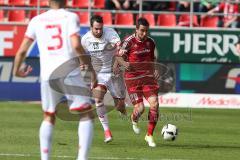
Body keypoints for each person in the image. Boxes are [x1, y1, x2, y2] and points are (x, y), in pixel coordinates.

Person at [13, 0, 96, 160]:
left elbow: (22, 50)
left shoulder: (36, 20)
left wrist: (17, 71)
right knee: (85, 114)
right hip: (69, 71)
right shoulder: (70, 16)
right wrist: (88, 65)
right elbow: (76, 45)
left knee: (49, 115)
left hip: (47, 74)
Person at [81, 15, 126, 143]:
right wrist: (83, 64)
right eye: (96, 29)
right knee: (98, 97)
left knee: (120, 107)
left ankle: (121, 105)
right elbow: (80, 53)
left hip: (114, 73)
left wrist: (120, 52)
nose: (99, 31)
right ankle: (107, 132)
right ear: (91, 28)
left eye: (100, 28)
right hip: (98, 74)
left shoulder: (110, 33)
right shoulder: (85, 39)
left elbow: (119, 46)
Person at [117, 18, 160, 147]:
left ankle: (149, 135)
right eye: (142, 30)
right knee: (140, 108)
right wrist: (124, 63)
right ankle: (134, 118)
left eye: (146, 31)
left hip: (147, 78)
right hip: (132, 79)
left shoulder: (151, 42)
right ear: (136, 29)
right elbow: (118, 58)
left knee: (155, 104)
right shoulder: (128, 42)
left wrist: (156, 69)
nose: (144, 33)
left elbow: (153, 58)